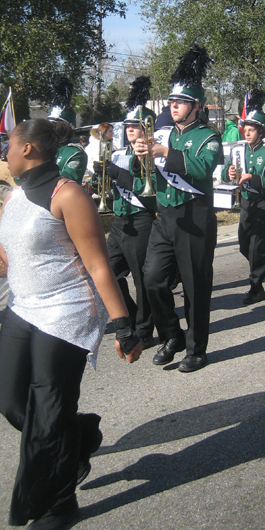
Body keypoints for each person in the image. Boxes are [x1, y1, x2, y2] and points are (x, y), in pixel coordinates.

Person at [0, 118, 142, 530]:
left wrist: (123, 326)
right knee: (12, 402)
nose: (4, 153)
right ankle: (78, 435)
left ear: (28, 149)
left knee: (49, 410)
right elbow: (6, 262)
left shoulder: (69, 194)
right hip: (23, 307)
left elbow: (99, 265)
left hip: (66, 313)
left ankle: (59, 500)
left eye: (8, 145)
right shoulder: (12, 198)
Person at [135, 45, 223, 372]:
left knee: (195, 288)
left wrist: (163, 152)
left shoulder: (208, 137)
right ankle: (172, 335)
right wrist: (140, 155)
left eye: (181, 102)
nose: (174, 106)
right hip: (165, 217)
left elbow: (201, 166)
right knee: (152, 279)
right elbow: (143, 168)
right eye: (172, 101)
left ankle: (196, 349)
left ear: (196, 107)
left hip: (195, 218)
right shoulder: (161, 133)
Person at [96, 77, 157, 349]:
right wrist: (102, 178)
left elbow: (149, 190)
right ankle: (131, 315)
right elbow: (115, 185)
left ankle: (146, 328)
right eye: (129, 125)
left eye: (136, 125)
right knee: (108, 273)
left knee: (141, 278)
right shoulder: (119, 152)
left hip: (142, 218)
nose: (131, 129)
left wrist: (117, 175)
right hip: (120, 221)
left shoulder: (153, 156)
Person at [222, 89, 265, 305]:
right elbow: (227, 169)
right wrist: (227, 173)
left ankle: (256, 288)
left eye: (251, 130)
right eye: (245, 129)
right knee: (244, 245)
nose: (246, 133)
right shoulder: (239, 149)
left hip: (264, 202)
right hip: (246, 201)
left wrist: (252, 178)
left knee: (256, 245)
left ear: (260, 132)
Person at [47, 77, 88, 184]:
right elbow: (19, 179)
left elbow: (64, 182)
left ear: (66, 129)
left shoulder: (74, 152)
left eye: (55, 125)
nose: (51, 127)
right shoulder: (43, 147)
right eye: (50, 124)